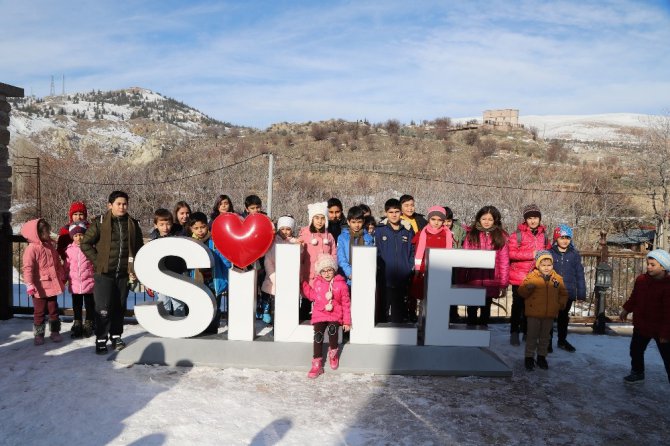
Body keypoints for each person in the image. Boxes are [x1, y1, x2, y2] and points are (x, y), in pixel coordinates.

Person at [81, 191, 144, 354]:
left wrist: (135, 269)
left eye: (125, 204)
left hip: (123, 274)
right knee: (103, 308)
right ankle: (101, 339)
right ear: (110, 205)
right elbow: (86, 243)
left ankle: (116, 336)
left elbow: (138, 248)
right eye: (119, 204)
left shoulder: (132, 224)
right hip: (104, 274)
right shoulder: (100, 223)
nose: (122, 207)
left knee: (119, 307)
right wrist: (98, 261)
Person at [620, 249, 670, 384]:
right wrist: (626, 309)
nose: (648, 267)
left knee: (667, 357)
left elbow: (668, 313)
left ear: (663, 267)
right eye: (648, 263)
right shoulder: (641, 280)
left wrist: (666, 334)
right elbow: (634, 297)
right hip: (642, 325)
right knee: (635, 350)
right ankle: (637, 372)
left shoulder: (667, 286)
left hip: (661, 329)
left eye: (653, 264)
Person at [301, 254, 351, 379]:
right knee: (318, 335)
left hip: (334, 314)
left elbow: (346, 303)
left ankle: (333, 352)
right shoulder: (317, 283)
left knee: (333, 329)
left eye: (329, 270)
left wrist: (347, 321)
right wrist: (303, 285)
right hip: (319, 314)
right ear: (320, 272)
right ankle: (317, 363)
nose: (327, 273)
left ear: (334, 270)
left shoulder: (341, 284)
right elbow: (312, 295)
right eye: (324, 271)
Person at [508, 204, 551, 346]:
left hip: (536, 277)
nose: (533, 221)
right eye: (530, 218)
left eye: (536, 218)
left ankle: (527, 333)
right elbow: (511, 253)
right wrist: (530, 254)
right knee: (517, 306)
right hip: (518, 277)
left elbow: (548, 253)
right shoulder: (516, 235)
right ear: (525, 219)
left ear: (540, 219)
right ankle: (514, 333)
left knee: (531, 306)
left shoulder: (544, 236)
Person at [518, 251, 568, 371]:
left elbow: (563, 293)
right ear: (537, 265)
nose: (546, 267)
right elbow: (521, 292)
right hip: (533, 314)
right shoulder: (531, 278)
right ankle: (529, 357)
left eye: (549, 265)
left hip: (549, 314)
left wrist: (560, 304)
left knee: (545, 337)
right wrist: (527, 289)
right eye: (543, 265)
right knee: (532, 336)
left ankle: (542, 357)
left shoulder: (557, 279)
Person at [460, 205, 509, 327]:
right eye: (484, 219)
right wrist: (461, 279)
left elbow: (504, 261)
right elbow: (464, 258)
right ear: (478, 219)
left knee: (486, 306)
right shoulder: (471, 235)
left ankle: (483, 330)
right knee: (471, 307)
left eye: (490, 219)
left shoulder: (500, 236)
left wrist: (503, 283)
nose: (487, 222)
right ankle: (470, 330)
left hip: (491, 279)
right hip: (473, 278)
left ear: (495, 221)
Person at [21, 218, 66, 345]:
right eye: (46, 232)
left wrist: (61, 274)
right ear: (38, 234)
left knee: (53, 310)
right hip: (39, 287)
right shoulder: (32, 249)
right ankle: (39, 334)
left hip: (52, 285)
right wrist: (29, 284)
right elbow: (27, 268)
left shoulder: (50, 246)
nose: (49, 233)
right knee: (39, 312)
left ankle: (55, 332)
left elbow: (57, 263)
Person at [189, 212, 232, 334]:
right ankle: (200, 329)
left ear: (207, 226)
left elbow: (223, 257)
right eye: (196, 228)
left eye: (202, 227)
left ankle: (213, 330)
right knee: (200, 305)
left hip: (214, 280)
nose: (200, 231)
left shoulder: (214, 241)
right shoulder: (190, 242)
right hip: (198, 280)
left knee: (214, 306)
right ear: (191, 228)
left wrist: (228, 266)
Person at [410, 206, 453, 320]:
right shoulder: (422, 233)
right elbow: (418, 252)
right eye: (433, 219)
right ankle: (421, 322)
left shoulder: (447, 234)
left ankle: (437, 322)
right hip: (424, 270)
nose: (436, 222)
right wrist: (418, 268)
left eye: (439, 220)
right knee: (423, 299)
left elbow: (448, 253)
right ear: (429, 219)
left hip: (440, 270)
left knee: (438, 298)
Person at [375, 198, 415, 323]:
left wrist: (409, 267)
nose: (394, 215)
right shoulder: (379, 230)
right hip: (384, 276)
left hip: (402, 276)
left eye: (397, 211)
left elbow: (412, 251)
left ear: (401, 212)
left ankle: (398, 335)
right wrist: (379, 268)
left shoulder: (407, 230)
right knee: (383, 306)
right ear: (386, 213)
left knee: (399, 309)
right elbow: (376, 251)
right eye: (391, 212)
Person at [549, 224, 586, 352]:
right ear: (556, 238)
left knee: (563, 318)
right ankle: (547, 342)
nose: (565, 240)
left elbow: (580, 274)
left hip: (568, 291)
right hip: (552, 291)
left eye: (567, 237)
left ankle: (562, 340)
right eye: (562, 237)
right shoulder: (550, 253)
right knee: (549, 317)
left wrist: (581, 293)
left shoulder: (574, 255)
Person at [299, 202, 336, 320]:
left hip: (324, 276)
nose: (319, 221)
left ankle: (321, 321)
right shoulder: (305, 235)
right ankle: (303, 321)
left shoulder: (329, 237)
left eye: (322, 218)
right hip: (308, 274)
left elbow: (334, 253)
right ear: (311, 219)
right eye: (316, 218)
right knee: (306, 301)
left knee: (322, 301)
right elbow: (300, 255)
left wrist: (333, 269)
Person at [261, 215, 301, 324]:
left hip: (289, 280)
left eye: (288, 229)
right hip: (274, 279)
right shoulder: (273, 243)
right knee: (276, 304)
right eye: (282, 229)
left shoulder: (295, 243)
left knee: (288, 304)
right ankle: (275, 323)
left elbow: (298, 259)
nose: (285, 232)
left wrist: (300, 247)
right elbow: (268, 261)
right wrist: (273, 276)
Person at [149, 208, 187, 317]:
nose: (165, 228)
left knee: (178, 303)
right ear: (156, 225)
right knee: (164, 302)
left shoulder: (179, 236)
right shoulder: (154, 242)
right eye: (161, 224)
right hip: (161, 276)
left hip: (177, 274)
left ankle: (179, 326)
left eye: (168, 224)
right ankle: (166, 326)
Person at [64, 222, 95, 338]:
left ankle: (89, 323)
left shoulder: (90, 248)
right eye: (76, 235)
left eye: (81, 235)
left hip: (89, 283)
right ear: (72, 237)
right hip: (75, 284)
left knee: (89, 305)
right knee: (76, 306)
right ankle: (77, 323)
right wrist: (63, 278)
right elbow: (66, 266)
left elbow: (94, 263)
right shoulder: (69, 250)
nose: (79, 238)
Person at [337, 206, 374, 287]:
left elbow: (370, 258)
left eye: (359, 222)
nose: (357, 225)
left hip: (364, 277)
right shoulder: (342, 237)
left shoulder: (368, 238)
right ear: (348, 222)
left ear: (363, 221)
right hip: (347, 278)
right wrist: (349, 273)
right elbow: (341, 258)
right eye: (353, 222)